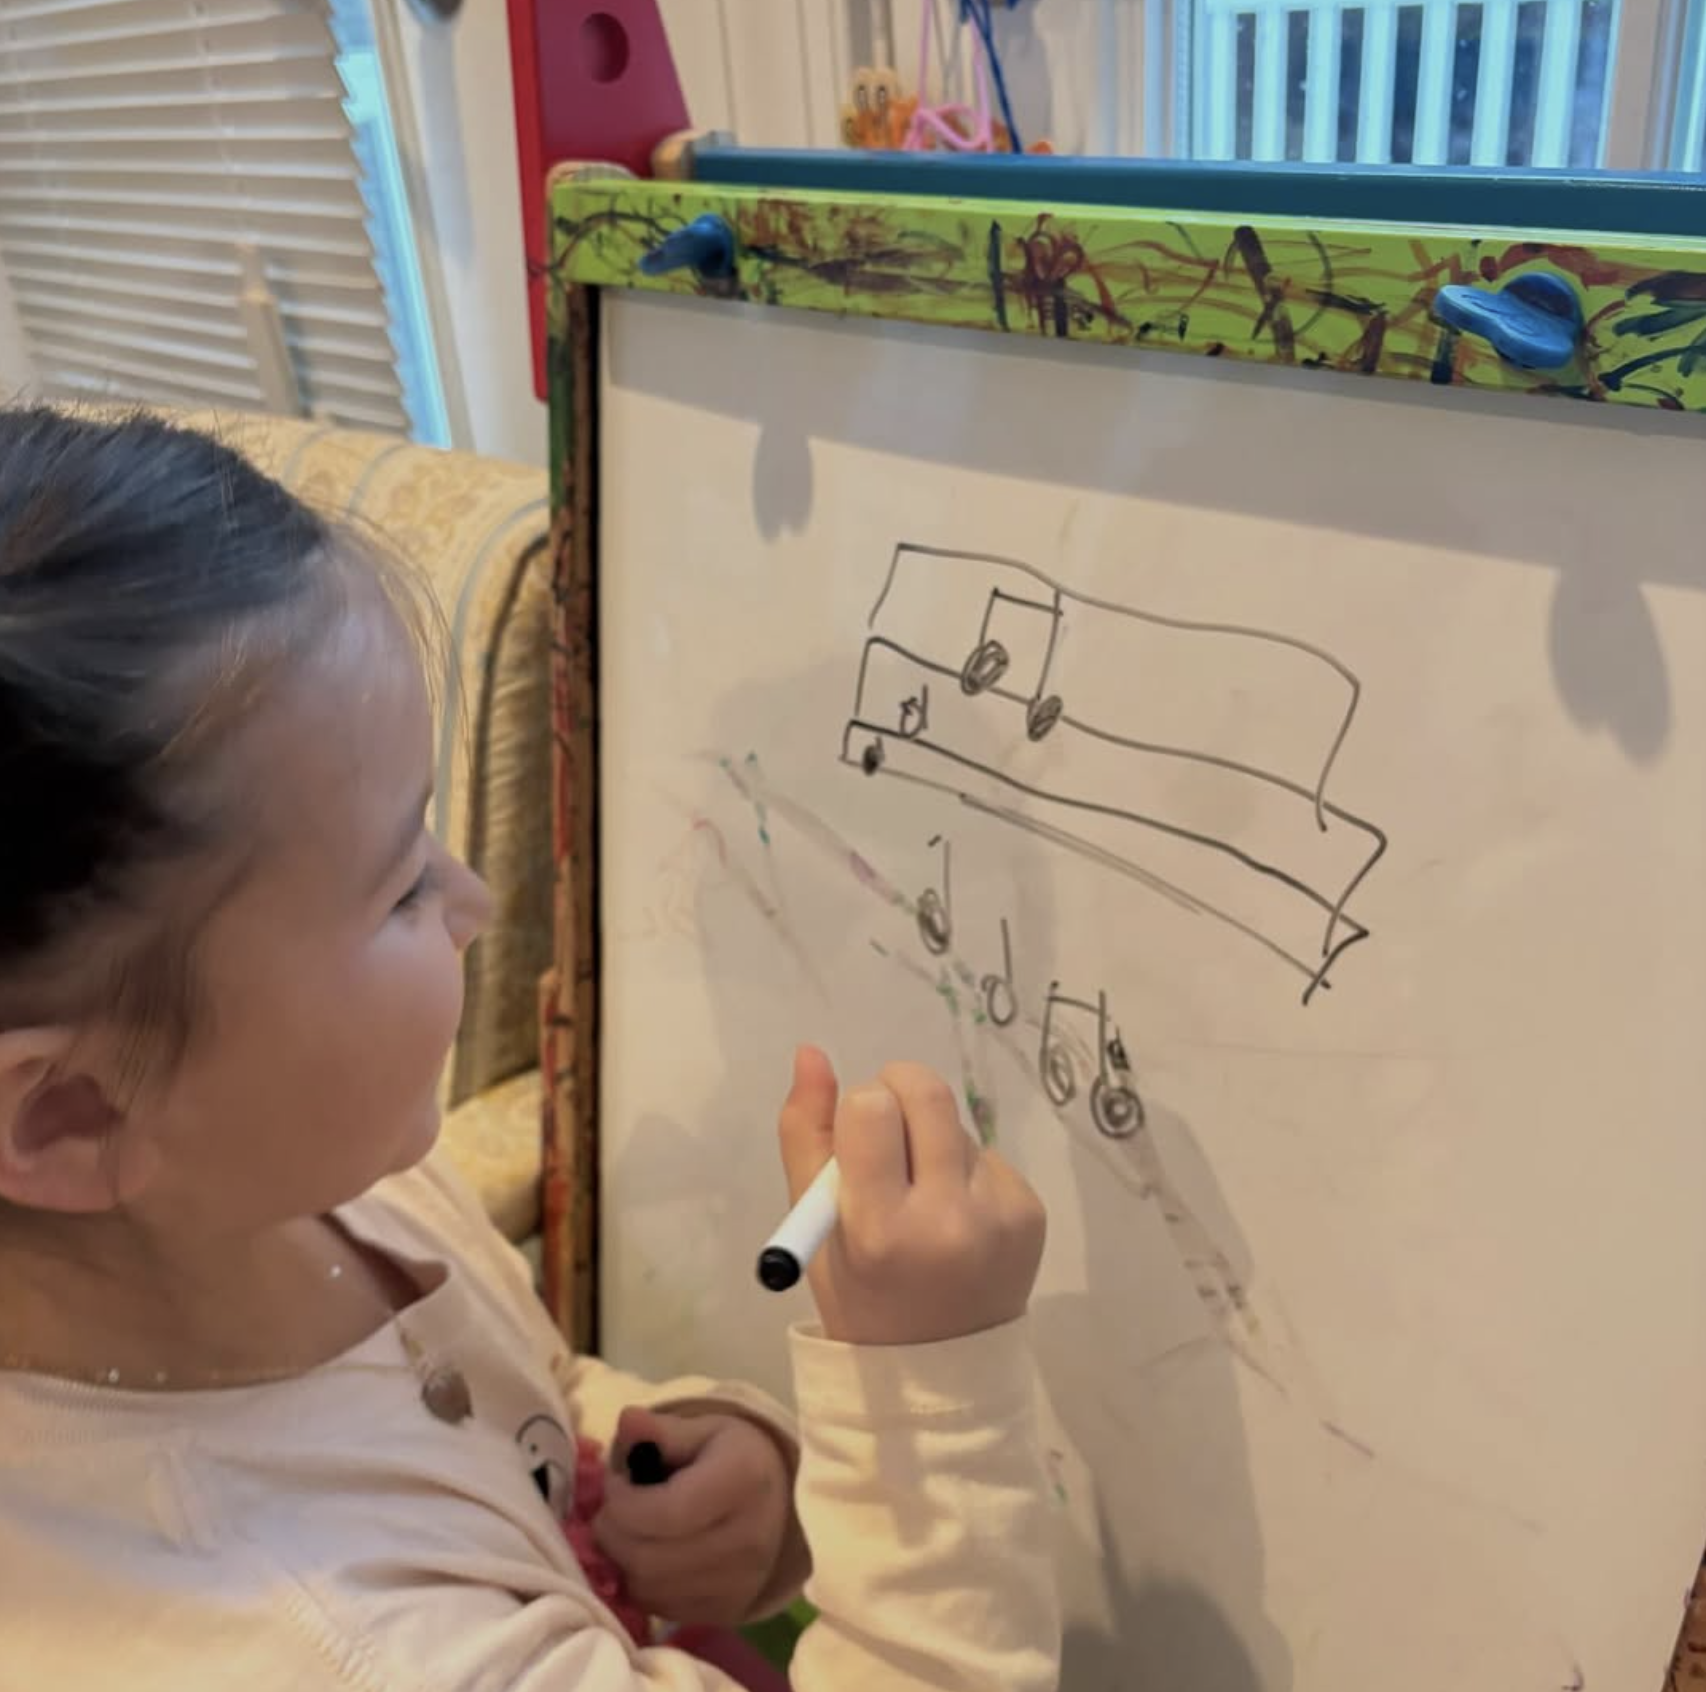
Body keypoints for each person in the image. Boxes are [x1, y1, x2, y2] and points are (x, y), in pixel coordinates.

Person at [0, 408, 1061, 1690]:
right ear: (66, 1117)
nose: (477, 902)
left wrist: (701, 1465)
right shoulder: (329, 1644)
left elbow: (511, 1404)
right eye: (398, 886)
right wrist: (924, 1406)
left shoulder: (308, 1180)